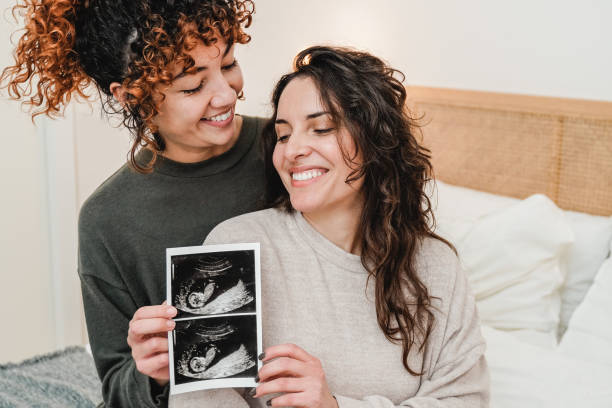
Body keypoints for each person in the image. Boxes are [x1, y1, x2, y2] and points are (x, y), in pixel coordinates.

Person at [1, 0, 265, 407]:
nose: (226, 94)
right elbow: (118, 389)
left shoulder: (290, 152)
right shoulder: (107, 220)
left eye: (228, 64)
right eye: (192, 86)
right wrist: (152, 373)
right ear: (133, 97)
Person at [197, 46, 490, 407]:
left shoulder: (435, 265)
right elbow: (201, 397)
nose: (292, 151)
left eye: (320, 128)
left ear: (374, 142)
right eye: (284, 135)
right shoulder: (234, 246)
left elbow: (465, 401)